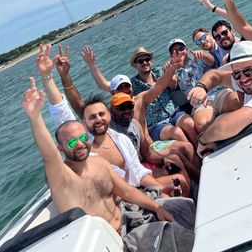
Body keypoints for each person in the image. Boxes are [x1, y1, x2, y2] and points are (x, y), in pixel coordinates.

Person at [20, 76, 174, 234]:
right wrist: (35, 117)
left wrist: (156, 207)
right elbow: (49, 155)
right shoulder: (63, 178)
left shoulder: (100, 162)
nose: (79, 144)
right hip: (111, 236)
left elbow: (127, 191)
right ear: (60, 148)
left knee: (178, 208)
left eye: (82, 138)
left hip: (127, 215)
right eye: (71, 143)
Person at [35, 44, 188, 197]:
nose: (98, 119)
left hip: (141, 168)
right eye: (93, 117)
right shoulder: (90, 138)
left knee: (179, 162)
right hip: (126, 191)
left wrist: (173, 68)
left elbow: (140, 165)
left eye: (127, 88)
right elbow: (65, 110)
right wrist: (58, 77)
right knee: (170, 188)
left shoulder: (122, 138)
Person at [187, 41, 252, 157]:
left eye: (248, 71)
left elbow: (223, 128)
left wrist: (202, 140)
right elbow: (215, 75)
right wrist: (201, 87)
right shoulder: (251, 81)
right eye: (236, 74)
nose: (243, 79)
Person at [81, 45, 197, 146]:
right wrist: (92, 65)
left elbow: (174, 84)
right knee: (177, 132)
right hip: (156, 124)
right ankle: (194, 159)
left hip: (174, 113)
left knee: (189, 124)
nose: (145, 62)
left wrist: (174, 67)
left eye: (147, 59)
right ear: (135, 65)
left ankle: (202, 151)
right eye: (140, 61)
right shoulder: (131, 85)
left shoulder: (161, 72)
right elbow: (105, 85)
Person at [167, 38, 238, 135]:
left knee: (237, 101)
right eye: (174, 51)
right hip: (199, 104)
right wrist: (170, 70)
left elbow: (211, 60)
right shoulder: (174, 73)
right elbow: (172, 84)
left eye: (181, 48)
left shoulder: (199, 60)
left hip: (217, 94)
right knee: (202, 125)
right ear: (171, 56)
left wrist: (203, 54)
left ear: (186, 50)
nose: (179, 52)